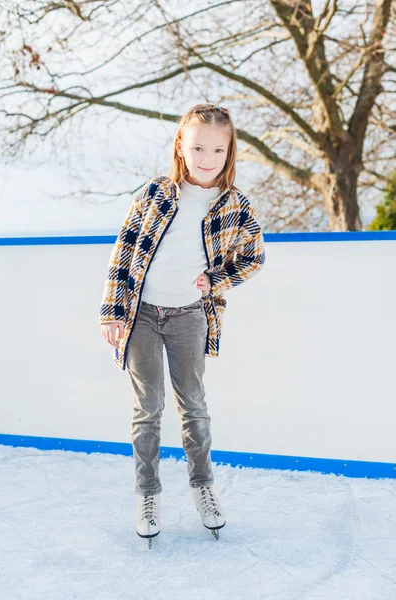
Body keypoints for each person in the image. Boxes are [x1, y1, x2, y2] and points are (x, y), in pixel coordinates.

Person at [99, 103, 265, 543]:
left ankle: (203, 486)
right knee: (147, 409)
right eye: (197, 147)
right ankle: (147, 493)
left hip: (191, 316)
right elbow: (123, 253)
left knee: (193, 403)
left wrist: (215, 279)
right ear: (181, 146)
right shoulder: (154, 193)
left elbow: (254, 257)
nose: (206, 158)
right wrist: (113, 311)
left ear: (229, 152)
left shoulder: (235, 205)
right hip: (142, 316)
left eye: (217, 149)